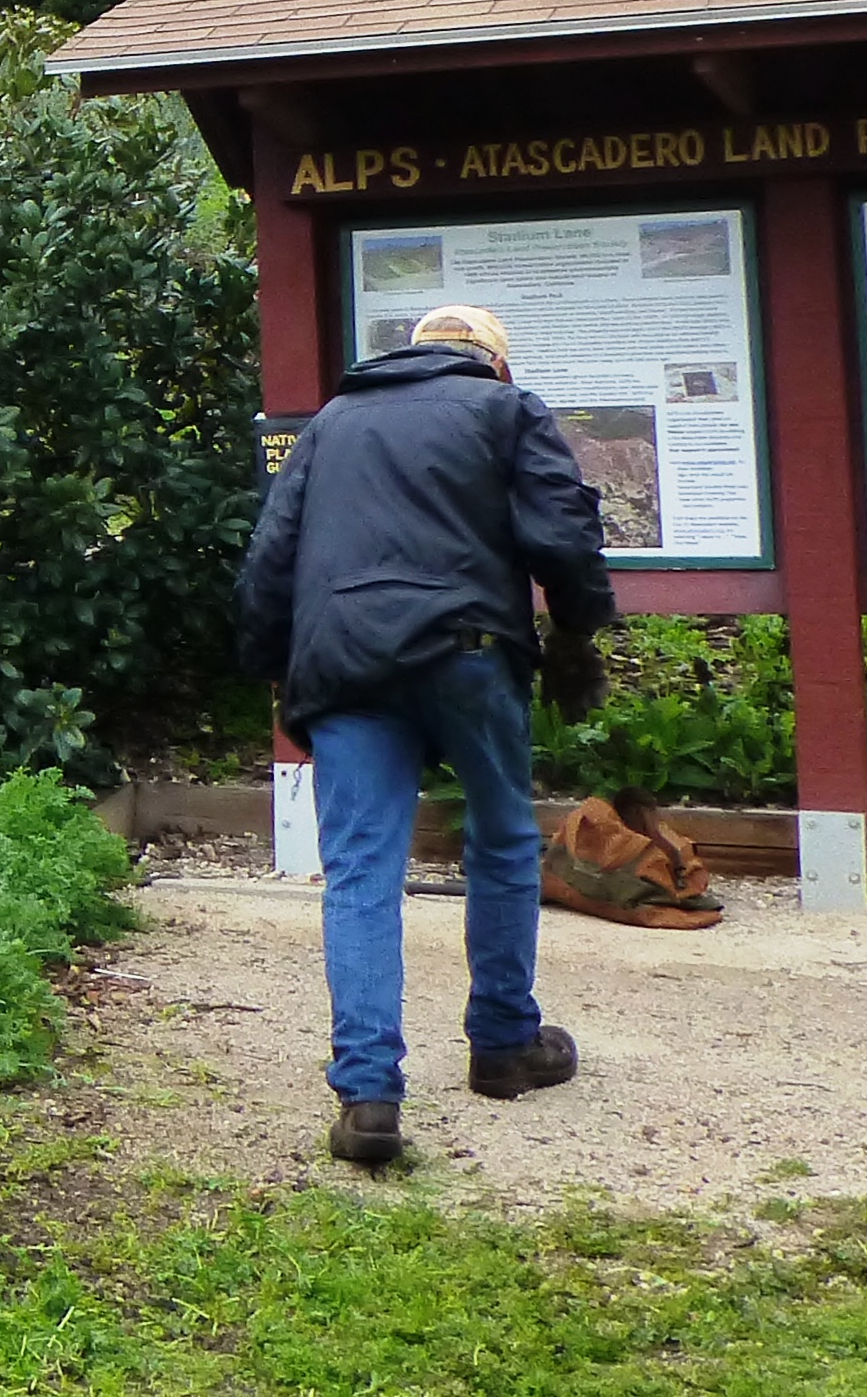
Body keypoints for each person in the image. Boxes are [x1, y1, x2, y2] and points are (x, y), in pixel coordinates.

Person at [234, 302, 615, 1172]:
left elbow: (271, 556)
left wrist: (274, 667)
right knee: (503, 839)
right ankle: (504, 1043)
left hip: (343, 664)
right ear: (494, 363)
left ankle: (368, 1096)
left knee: (363, 869)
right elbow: (561, 530)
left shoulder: (330, 425)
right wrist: (577, 631)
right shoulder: (507, 410)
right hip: (466, 651)